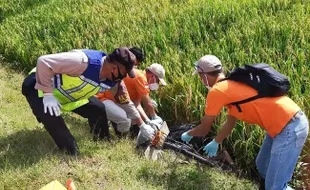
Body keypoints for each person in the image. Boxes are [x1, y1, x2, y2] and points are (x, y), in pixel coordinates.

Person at [180, 55, 309, 190]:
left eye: (200, 76)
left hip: (290, 126)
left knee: (275, 187)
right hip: (281, 125)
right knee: (262, 165)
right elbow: (230, 123)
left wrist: (187, 134)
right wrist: (217, 141)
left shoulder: (217, 91)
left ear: (204, 76)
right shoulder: (232, 85)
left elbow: (204, 128)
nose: (201, 80)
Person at [21, 47, 156, 155]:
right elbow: (44, 61)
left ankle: (102, 141)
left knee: (98, 109)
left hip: (69, 95)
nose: (125, 76)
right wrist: (48, 94)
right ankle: (70, 152)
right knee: (52, 117)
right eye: (124, 73)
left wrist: (142, 125)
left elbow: (125, 101)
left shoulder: (114, 80)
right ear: (114, 68)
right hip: (39, 87)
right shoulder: (82, 61)